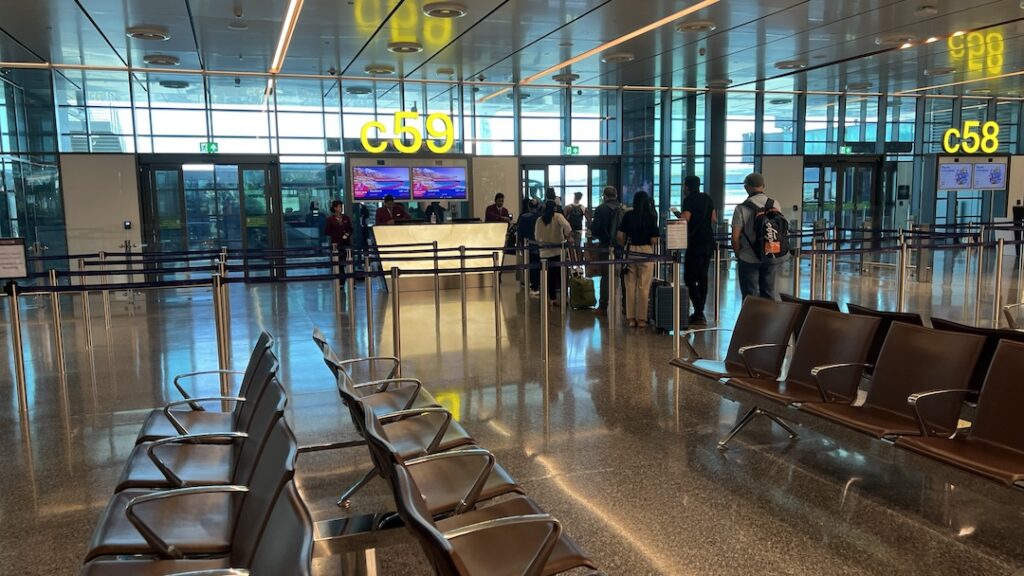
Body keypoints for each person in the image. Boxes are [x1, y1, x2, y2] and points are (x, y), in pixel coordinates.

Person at [732, 172, 790, 300]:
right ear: (763, 186)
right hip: (771, 254)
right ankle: (767, 318)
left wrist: (738, 253)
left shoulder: (741, 208)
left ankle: (751, 319)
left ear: (746, 187)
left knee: (750, 296)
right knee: (769, 293)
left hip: (748, 257)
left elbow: (735, 237)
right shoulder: (775, 204)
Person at [617, 191, 660, 328]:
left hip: (631, 251)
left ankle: (631, 319)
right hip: (646, 251)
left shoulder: (628, 215)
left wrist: (625, 245)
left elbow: (620, 236)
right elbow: (654, 240)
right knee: (643, 286)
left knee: (630, 285)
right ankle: (642, 319)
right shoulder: (651, 217)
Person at [678, 176, 717, 325]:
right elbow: (714, 218)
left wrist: (679, 216)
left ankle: (699, 311)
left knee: (689, 277)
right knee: (703, 276)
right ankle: (699, 311)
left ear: (687, 187)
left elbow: (685, 218)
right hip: (709, 241)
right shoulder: (707, 198)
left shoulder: (689, 200)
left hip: (696, 242)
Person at [591, 186, 626, 316]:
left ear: (604, 196)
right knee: (623, 275)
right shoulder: (623, 208)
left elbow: (595, 229)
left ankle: (603, 306)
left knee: (606, 276)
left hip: (606, 246)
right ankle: (625, 307)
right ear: (616, 195)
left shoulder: (601, 209)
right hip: (621, 247)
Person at [533, 200, 573, 307]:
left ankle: (553, 299)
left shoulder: (539, 220)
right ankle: (564, 298)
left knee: (550, 277)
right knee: (562, 277)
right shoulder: (558, 216)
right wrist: (568, 237)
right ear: (554, 208)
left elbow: (536, 237)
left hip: (544, 253)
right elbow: (568, 227)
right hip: (558, 251)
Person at [517, 198, 542, 294]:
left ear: (529, 206)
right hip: (540, 245)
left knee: (532, 266)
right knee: (540, 265)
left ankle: (534, 286)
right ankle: (540, 284)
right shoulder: (540, 217)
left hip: (529, 245)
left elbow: (520, 232)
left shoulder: (524, 217)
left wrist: (521, 244)